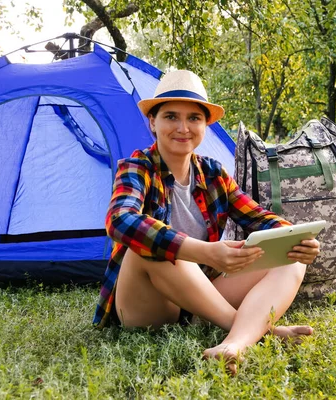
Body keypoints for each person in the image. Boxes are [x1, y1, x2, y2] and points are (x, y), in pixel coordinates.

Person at [93, 70, 320, 374]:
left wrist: (297, 239)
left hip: (201, 297)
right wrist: (206, 252)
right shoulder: (136, 167)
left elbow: (259, 218)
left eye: (194, 118)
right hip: (148, 305)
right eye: (171, 117)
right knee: (152, 246)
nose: (183, 127)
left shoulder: (214, 174)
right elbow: (120, 221)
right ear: (153, 122)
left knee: (291, 258)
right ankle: (263, 332)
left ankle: (235, 345)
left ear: (206, 125)